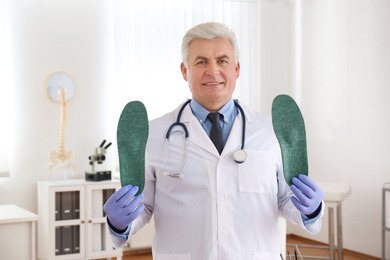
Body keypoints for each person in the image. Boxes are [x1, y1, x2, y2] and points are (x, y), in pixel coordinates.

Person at [104, 22, 324, 260]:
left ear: (237, 68)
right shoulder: (155, 133)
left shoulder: (270, 130)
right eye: (201, 62)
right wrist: (119, 223)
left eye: (222, 61)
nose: (213, 71)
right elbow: (143, 208)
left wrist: (311, 210)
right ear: (184, 70)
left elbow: (284, 200)